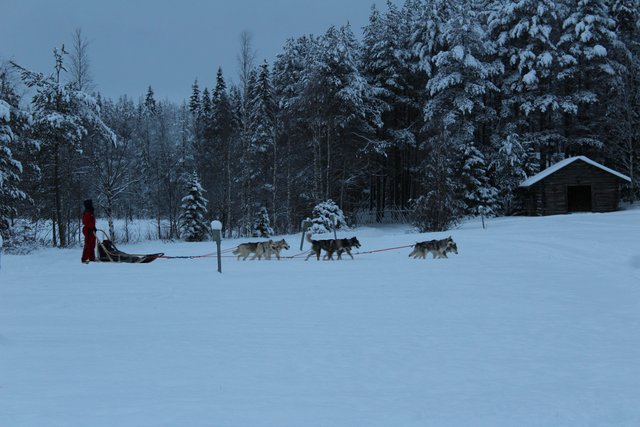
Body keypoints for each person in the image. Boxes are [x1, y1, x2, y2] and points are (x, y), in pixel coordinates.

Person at [81, 199, 97, 263]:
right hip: (88, 231)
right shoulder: (87, 212)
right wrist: (92, 227)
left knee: (92, 245)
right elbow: (85, 222)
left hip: (91, 230)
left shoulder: (90, 211)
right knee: (88, 245)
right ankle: (84, 258)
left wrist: (93, 227)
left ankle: (92, 258)